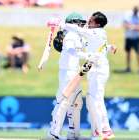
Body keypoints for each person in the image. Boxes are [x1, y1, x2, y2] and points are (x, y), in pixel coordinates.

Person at [61, 11, 116, 140]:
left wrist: (61, 24)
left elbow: (78, 30)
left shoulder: (97, 32)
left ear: (97, 24)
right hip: (93, 69)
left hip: (99, 70)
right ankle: (97, 131)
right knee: (92, 100)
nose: (88, 22)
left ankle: (105, 130)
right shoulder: (94, 35)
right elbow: (96, 46)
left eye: (90, 21)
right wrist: (110, 47)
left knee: (95, 99)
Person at [48, 12, 88, 140]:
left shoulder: (76, 35)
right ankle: (53, 133)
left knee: (77, 102)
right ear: (74, 23)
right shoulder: (71, 35)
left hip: (74, 71)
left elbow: (83, 46)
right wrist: (88, 56)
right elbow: (72, 51)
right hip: (68, 72)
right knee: (64, 102)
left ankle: (73, 133)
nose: (82, 26)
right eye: (81, 23)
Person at [123, 6, 139, 74]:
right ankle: (128, 68)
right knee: (128, 53)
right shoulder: (128, 14)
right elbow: (124, 24)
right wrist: (135, 26)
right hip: (128, 37)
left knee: (138, 53)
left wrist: (132, 27)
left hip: (136, 38)